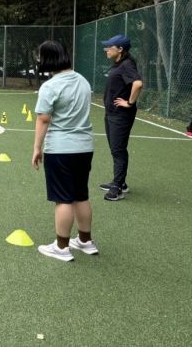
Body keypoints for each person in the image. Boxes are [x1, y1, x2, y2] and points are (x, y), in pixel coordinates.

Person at [31, 40, 98, 262]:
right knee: (80, 194)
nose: (39, 61)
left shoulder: (50, 86)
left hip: (61, 149)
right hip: (84, 147)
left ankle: (61, 247)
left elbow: (43, 119)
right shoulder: (83, 81)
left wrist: (37, 148)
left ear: (48, 59)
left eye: (40, 56)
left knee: (63, 199)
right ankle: (85, 241)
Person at [99, 34, 143, 201]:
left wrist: (129, 103)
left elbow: (138, 83)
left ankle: (118, 187)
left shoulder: (127, 64)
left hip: (121, 115)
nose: (106, 50)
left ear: (120, 49)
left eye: (109, 47)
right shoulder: (119, 64)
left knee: (118, 150)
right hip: (111, 114)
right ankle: (120, 182)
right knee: (115, 149)